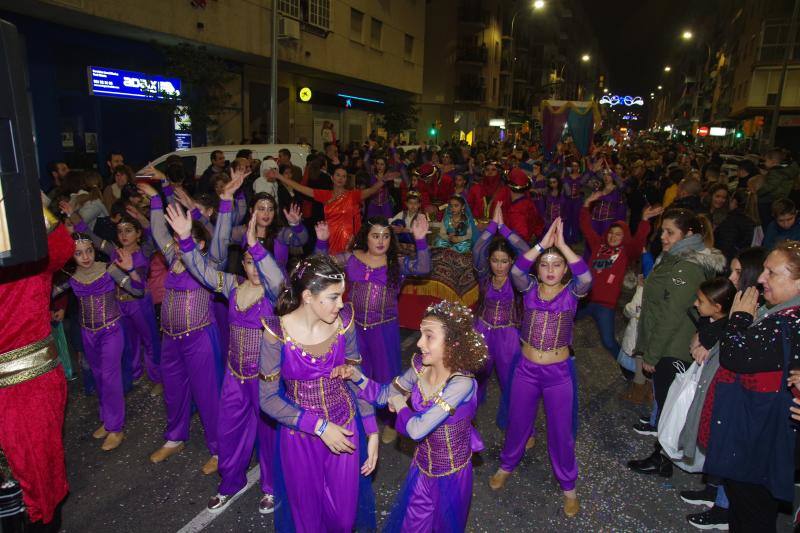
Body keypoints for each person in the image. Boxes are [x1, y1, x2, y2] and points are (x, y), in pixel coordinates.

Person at [166, 206, 284, 515]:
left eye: (259, 261)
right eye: (248, 261)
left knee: (269, 434)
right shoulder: (233, 285)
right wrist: (184, 239)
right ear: (242, 264)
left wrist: (258, 248)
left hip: (266, 377)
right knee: (228, 428)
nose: (254, 267)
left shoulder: (276, 293)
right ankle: (231, 481)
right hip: (235, 374)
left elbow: (275, 277)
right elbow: (203, 273)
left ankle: (271, 487)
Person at [339, 300, 487, 532]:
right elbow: (386, 394)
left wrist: (400, 403)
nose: (419, 343)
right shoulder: (420, 368)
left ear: (453, 343)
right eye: (420, 335)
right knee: (412, 525)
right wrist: (356, 376)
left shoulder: (462, 384)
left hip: (452, 474)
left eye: (429, 336)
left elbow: (417, 429)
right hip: (421, 467)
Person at [257, 255, 378, 532]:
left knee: (343, 518)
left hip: (346, 429)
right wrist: (321, 427)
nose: (340, 304)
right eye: (333, 297)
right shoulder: (277, 332)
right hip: (300, 436)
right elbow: (267, 399)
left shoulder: (343, 321)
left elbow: (356, 380)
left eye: (341, 296)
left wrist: (371, 431)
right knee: (307, 518)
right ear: (308, 296)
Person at [489, 218, 592, 519]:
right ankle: (507, 464)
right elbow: (518, 268)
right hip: (526, 370)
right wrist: (542, 244)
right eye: (545, 264)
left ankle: (568, 487)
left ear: (564, 270)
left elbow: (586, 278)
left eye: (556, 265)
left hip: (558, 374)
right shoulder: (528, 288)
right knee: (518, 421)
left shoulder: (572, 293)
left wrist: (561, 246)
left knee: (560, 432)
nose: (549, 270)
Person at [704, 241, 800, 531]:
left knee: (751, 512)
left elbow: (734, 356)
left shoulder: (788, 321)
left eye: (771, 273)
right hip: (768, 432)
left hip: (759, 437)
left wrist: (739, 319)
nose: (761, 278)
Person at [315, 215, 431, 443]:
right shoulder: (351, 258)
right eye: (375, 235)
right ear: (365, 238)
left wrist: (420, 240)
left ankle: (391, 420)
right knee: (356, 375)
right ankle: (359, 417)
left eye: (386, 236)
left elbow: (424, 267)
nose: (381, 241)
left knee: (388, 376)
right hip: (354, 329)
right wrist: (321, 242)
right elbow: (321, 266)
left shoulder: (396, 262)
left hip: (384, 329)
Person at [627, 209, 725, 478]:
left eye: (670, 232)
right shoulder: (677, 259)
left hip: (673, 346)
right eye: (662, 231)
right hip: (670, 342)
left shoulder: (687, 266)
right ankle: (663, 455)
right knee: (666, 401)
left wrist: (652, 353)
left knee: (670, 404)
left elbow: (672, 314)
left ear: (689, 234)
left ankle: (663, 458)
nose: (664, 237)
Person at [138, 180, 222, 475]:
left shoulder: (208, 263)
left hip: (199, 337)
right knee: (173, 389)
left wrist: (210, 211)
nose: (175, 242)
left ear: (198, 243)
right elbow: (159, 231)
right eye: (175, 239)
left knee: (208, 394)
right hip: (171, 339)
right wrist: (155, 201)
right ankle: (175, 437)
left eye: (182, 238)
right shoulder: (173, 258)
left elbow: (216, 236)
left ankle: (218, 448)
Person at [0, 216, 74, 527]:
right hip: (32, 389)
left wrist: (18, 189)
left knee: (36, 491)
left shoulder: (27, 249)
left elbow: (61, 246)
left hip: (27, 391)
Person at [51, 234, 143, 451]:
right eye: (78, 253)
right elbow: (46, 293)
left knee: (110, 376)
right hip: (88, 333)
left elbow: (138, 290)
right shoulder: (71, 277)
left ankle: (115, 428)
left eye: (89, 251)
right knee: (98, 375)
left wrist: (130, 270)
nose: (85, 257)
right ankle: (107, 418)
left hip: (111, 330)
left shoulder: (108, 269)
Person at [578, 196, 661, 374]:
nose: (613, 237)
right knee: (564, 320)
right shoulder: (598, 245)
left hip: (604, 305)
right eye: (611, 233)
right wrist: (586, 205)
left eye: (618, 234)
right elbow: (586, 227)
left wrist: (644, 221)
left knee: (608, 341)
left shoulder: (625, 252)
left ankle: (628, 369)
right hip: (585, 299)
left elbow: (638, 242)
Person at [473, 203, 529, 403]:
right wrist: (492, 225)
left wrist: (503, 228)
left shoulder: (518, 280)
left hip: (509, 335)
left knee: (510, 381)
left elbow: (525, 249)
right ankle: (470, 418)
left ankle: (513, 423)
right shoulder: (484, 277)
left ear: (512, 262)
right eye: (495, 260)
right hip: (482, 330)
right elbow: (478, 248)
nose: (499, 265)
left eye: (504, 261)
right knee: (476, 377)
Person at [276, 164, 391, 255]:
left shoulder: (353, 195)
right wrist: (279, 176)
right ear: (332, 177)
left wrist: (383, 180)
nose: (340, 178)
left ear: (346, 179)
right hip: (329, 237)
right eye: (338, 175)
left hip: (349, 241)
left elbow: (371, 190)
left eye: (344, 176)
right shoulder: (325, 195)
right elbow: (301, 188)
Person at [757, 148, 799, 226]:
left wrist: (758, 192)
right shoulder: (785, 170)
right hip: (781, 197)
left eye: (766, 160)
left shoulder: (776, 172)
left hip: (772, 199)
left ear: (773, 162)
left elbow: (769, 187)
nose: (764, 163)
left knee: (764, 215)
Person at [713, 189, 756, 262]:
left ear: (734, 201)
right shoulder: (750, 220)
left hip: (727, 261)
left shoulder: (731, 221)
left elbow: (726, 246)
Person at [504, 168, 544, 243]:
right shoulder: (528, 202)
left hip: (519, 250)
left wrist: (500, 228)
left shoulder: (516, 210)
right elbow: (539, 224)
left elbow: (520, 238)